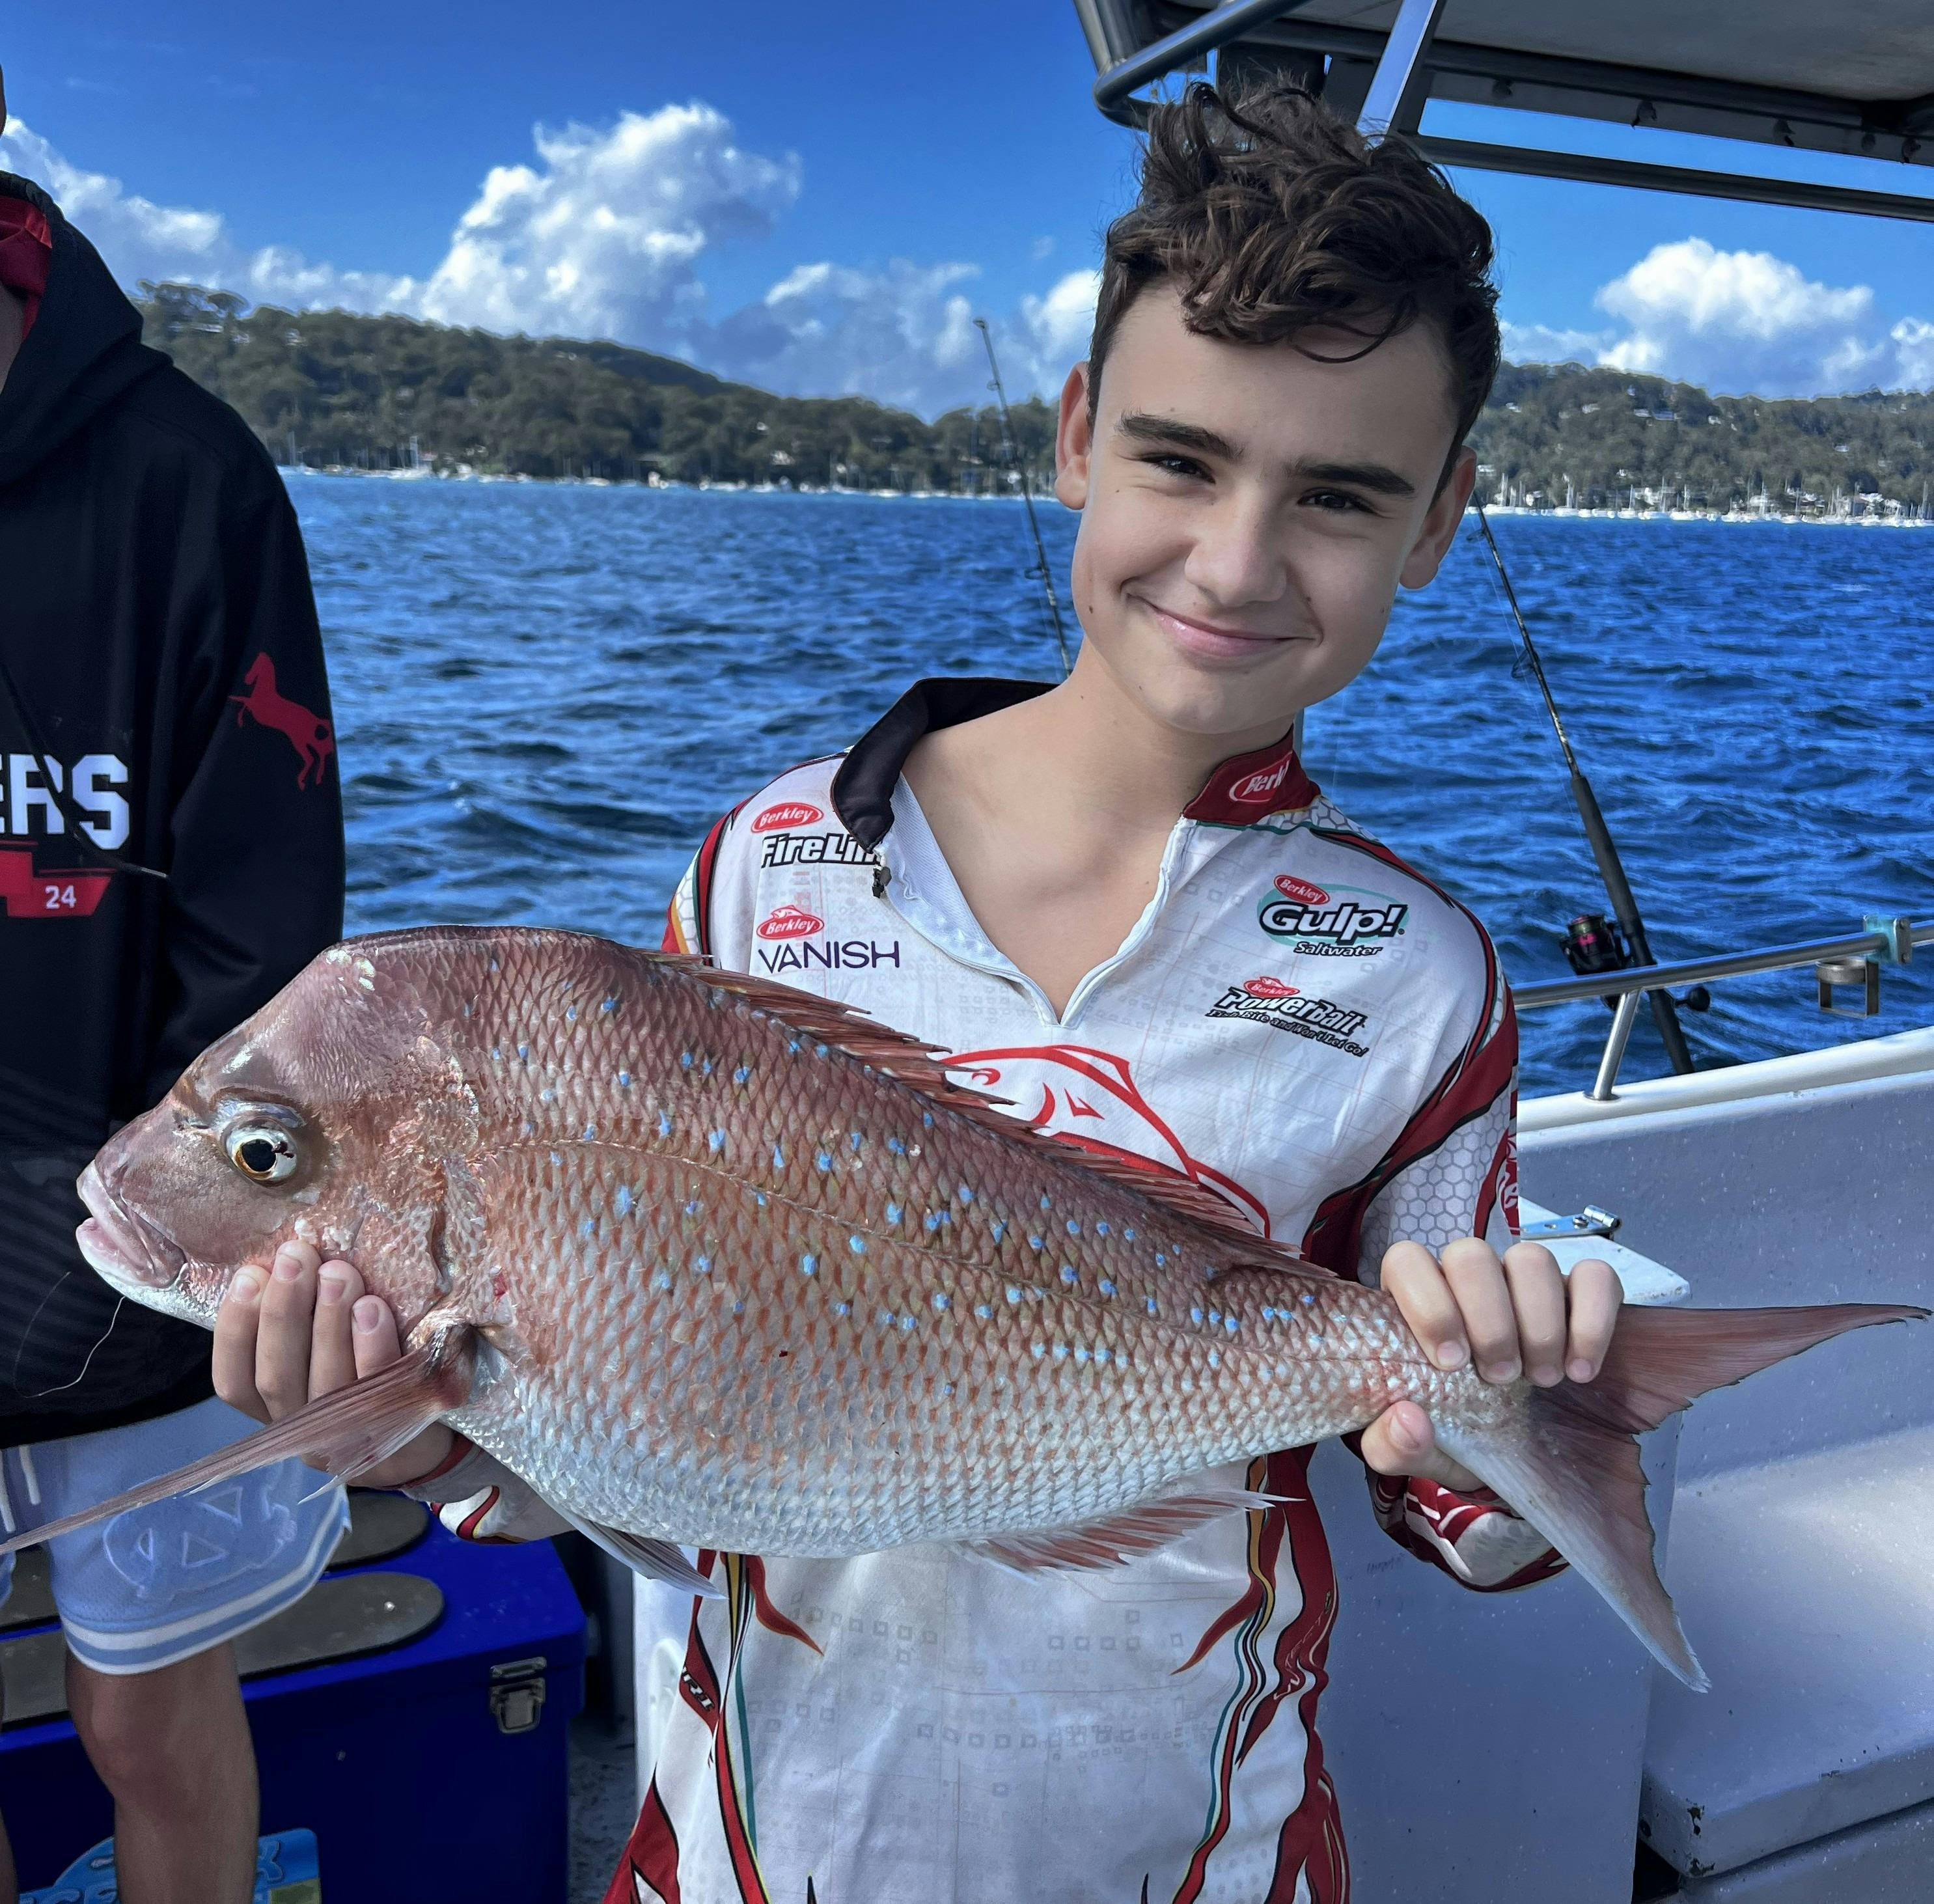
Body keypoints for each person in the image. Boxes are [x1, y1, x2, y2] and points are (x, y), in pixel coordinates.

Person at [218, 82, 1625, 1901]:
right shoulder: (764, 868)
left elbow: (1460, 1518)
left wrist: (1513, 1418)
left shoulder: (1422, 974)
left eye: (1337, 496)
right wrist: (417, 1429)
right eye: (1178, 461)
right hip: (745, 1854)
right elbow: (639, 1443)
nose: (1233, 558)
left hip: (1203, 1859)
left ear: (1436, 523)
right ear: (1072, 439)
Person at [0, 74, 348, 1904]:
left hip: (151, 1281)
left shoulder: (187, 472)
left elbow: (267, 952)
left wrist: (152, 1255)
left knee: (152, 1727)